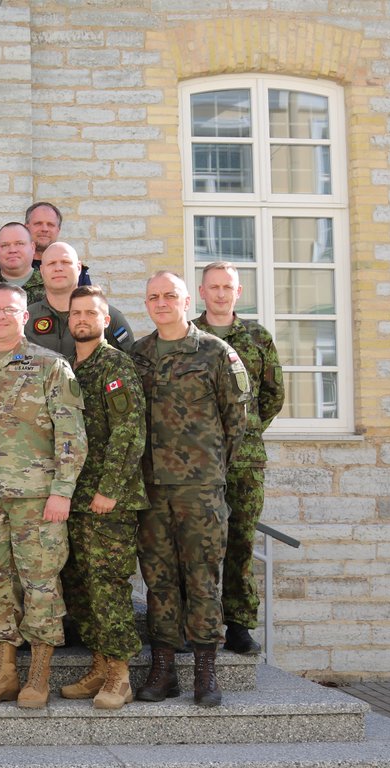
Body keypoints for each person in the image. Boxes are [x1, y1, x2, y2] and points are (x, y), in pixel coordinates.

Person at [0, 282, 87, 710]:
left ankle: (38, 676)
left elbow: (71, 435)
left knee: (40, 584)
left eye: (9, 310)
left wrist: (63, 492)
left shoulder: (50, 366)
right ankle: (4, 673)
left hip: (38, 498)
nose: (0, 316)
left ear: (24, 315)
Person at [132, 271, 250, 708]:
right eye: (153, 297)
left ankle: (205, 670)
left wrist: (210, 469)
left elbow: (236, 422)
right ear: (147, 304)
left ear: (186, 301)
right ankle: (163, 670)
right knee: (158, 581)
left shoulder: (216, 353)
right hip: (150, 490)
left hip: (199, 490)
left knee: (202, 579)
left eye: (169, 296)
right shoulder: (138, 355)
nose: (161, 303)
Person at [58, 286, 148, 711]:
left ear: (105, 318)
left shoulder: (115, 365)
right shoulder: (70, 367)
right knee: (79, 586)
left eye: (90, 313)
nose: (82, 319)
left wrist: (108, 490)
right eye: (76, 313)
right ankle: (98, 664)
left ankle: (119, 675)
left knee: (108, 587)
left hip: (106, 500)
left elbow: (129, 432)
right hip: (73, 497)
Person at [195, 261, 285, 654]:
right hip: (195, 460)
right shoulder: (189, 336)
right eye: (212, 287)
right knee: (196, 543)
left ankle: (238, 625)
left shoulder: (256, 336)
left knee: (240, 541)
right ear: (201, 292)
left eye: (226, 287)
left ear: (238, 292)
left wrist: (244, 435)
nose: (219, 293)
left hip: (243, 461)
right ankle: (196, 621)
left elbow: (273, 394)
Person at [25, 242, 133, 359]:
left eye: (66, 262)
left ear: (78, 268)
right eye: (51, 263)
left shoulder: (107, 316)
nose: (58, 268)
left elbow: (131, 363)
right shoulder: (25, 319)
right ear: (41, 270)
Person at [25, 201, 90, 285]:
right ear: (26, 228)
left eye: (50, 224)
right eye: (38, 224)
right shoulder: (15, 267)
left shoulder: (75, 271)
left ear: (58, 230)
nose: (44, 229)